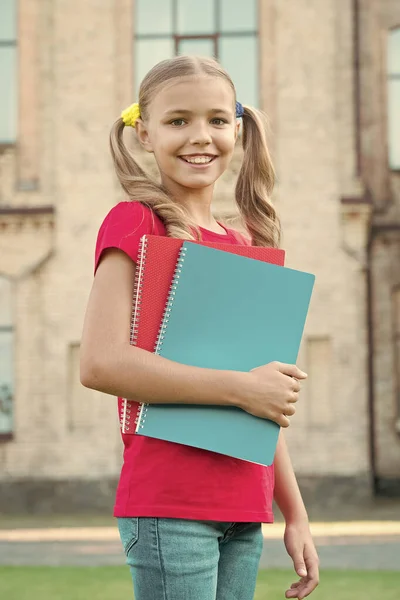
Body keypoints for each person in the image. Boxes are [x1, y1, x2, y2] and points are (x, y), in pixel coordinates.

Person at [80, 55, 319, 600]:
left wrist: (296, 515)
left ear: (236, 128)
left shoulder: (246, 245)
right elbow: (100, 363)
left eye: (215, 119)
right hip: (170, 505)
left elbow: (265, 402)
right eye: (177, 120)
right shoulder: (135, 222)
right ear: (144, 133)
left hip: (245, 509)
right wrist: (243, 388)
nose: (200, 137)